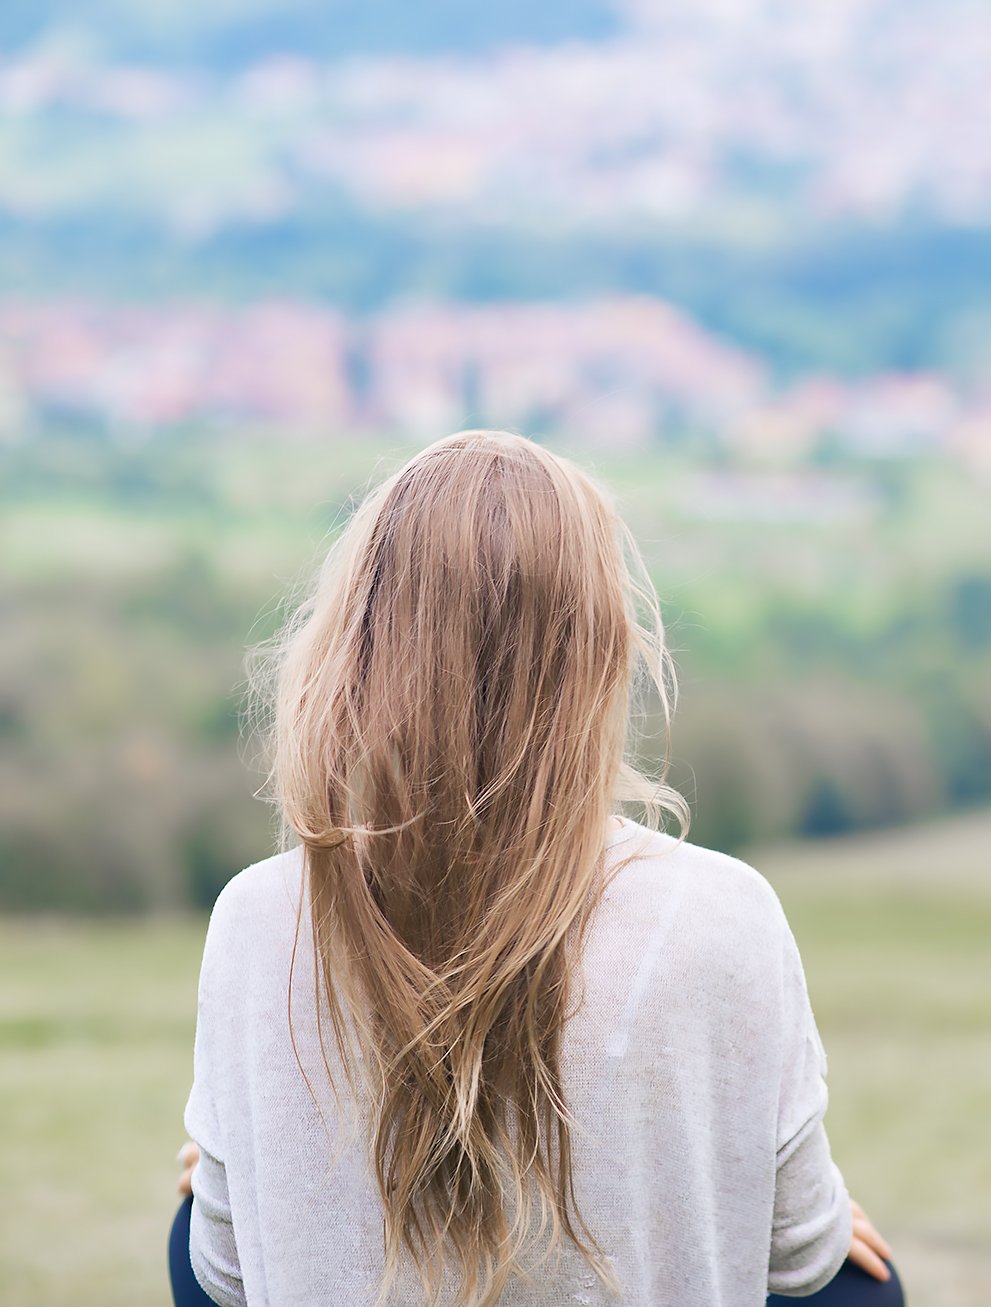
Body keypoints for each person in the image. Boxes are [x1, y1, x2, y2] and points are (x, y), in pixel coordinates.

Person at [167, 430, 902, 1305]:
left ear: (358, 646)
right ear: (602, 654)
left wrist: (229, 1181)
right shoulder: (723, 913)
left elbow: (217, 1276)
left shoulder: (261, 919)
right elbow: (808, 1261)